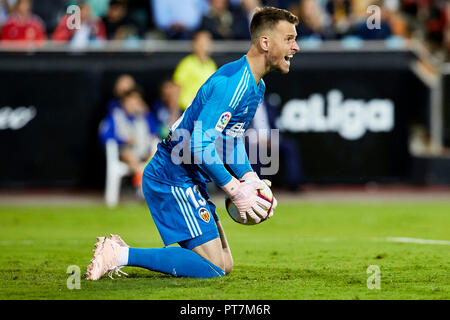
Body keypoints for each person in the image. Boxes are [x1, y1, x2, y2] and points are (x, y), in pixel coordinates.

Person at [86, 6, 299, 280]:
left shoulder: (255, 86)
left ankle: (120, 250)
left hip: (188, 176)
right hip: (172, 175)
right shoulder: (233, 83)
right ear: (265, 42)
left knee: (224, 264)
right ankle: (119, 254)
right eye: (290, 38)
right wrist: (234, 188)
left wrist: (249, 177)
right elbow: (199, 144)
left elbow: (230, 140)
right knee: (212, 269)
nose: (296, 47)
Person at [98, 87, 161, 191]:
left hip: (144, 152)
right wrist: (123, 140)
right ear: (124, 102)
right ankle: (142, 179)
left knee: (157, 150)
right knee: (128, 154)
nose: (134, 104)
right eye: (131, 101)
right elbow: (104, 136)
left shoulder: (143, 117)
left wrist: (147, 112)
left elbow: (156, 132)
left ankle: (146, 179)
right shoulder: (116, 116)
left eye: (137, 101)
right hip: (124, 151)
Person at [173, 30, 217, 110]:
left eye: (207, 42)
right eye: (201, 43)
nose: (204, 46)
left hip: (203, 110)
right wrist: (174, 113)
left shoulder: (211, 64)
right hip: (187, 110)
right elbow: (176, 89)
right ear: (195, 45)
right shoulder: (186, 63)